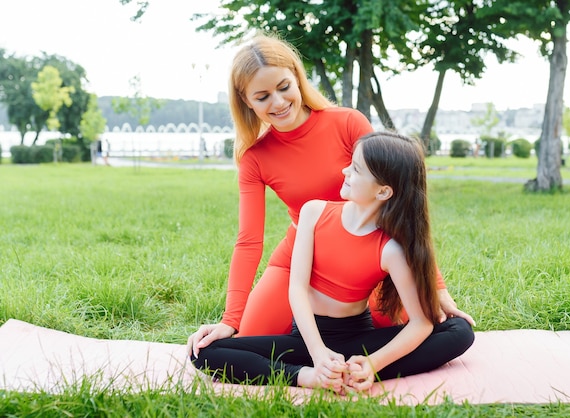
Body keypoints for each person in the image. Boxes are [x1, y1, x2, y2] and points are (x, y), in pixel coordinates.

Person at [188, 34, 474, 352]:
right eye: (263, 96)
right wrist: (231, 318)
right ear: (247, 102)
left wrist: (437, 288)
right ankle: (317, 358)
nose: (279, 103)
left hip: (366, 256)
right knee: (245, 341)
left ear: (297, 78)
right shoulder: (255, 158)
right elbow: (249, 241)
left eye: (284, 87)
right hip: (298, 258)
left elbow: (403, 204)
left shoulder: (348, 123)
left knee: (429, 326)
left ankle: (342, 353)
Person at [190, 132, 475, 392]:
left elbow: (421, 323)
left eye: (356, 169)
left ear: (383, 191)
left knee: (460, 332)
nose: (344, 171)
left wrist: (372, 363)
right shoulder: (314, 212)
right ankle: (308, 376)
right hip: (306, 339)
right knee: (203, 352)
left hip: (356, 338)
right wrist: (317, 355)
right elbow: (297, 289)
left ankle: (355, 373)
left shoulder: (391, 250)